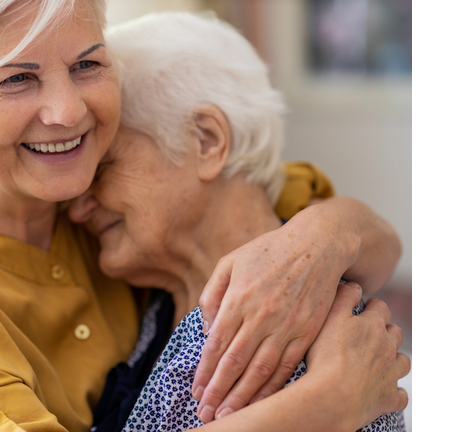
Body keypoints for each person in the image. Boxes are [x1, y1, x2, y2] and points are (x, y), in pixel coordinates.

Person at [0, 1, 404, 431]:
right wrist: (326, 405)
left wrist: (327, 236)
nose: (67, 112)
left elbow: (321, 223)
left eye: (88, 64)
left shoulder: (89, 211)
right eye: (17, 78)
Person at [69, 12, 409, 432]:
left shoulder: (311, 332)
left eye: (103, 167)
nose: (76, 207)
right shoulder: (155, 308)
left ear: (207, 141)